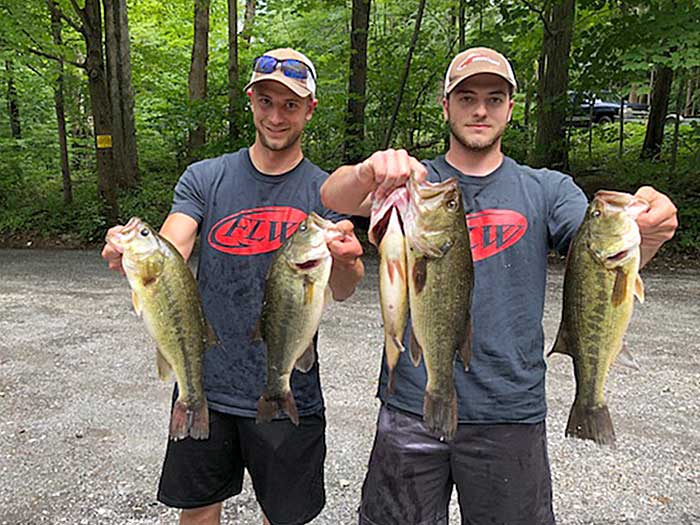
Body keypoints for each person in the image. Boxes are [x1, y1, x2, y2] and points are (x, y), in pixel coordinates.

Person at [320, 47, 678, 524]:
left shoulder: (547, 189)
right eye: (466, 97)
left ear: (512, 107)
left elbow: (600, 263)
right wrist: (368, 171)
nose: (480, 109)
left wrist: (649, 230)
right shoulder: (414, 186)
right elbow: (332, 194)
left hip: (510, 407)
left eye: (494, 97)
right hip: (412, 399)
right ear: (446, 107)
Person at [102, 47, 364, 525]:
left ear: (310, 109)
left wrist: (346, 261)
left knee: (282, 516)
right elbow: (174, 246)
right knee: (199, 511)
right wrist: (130, 249)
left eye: (290, 105)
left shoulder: (325, 193)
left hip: (290, 384)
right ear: (250, 101)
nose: (276, 116)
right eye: (266, 101)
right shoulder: (206, 177)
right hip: (208, 380)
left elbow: (344, 288)